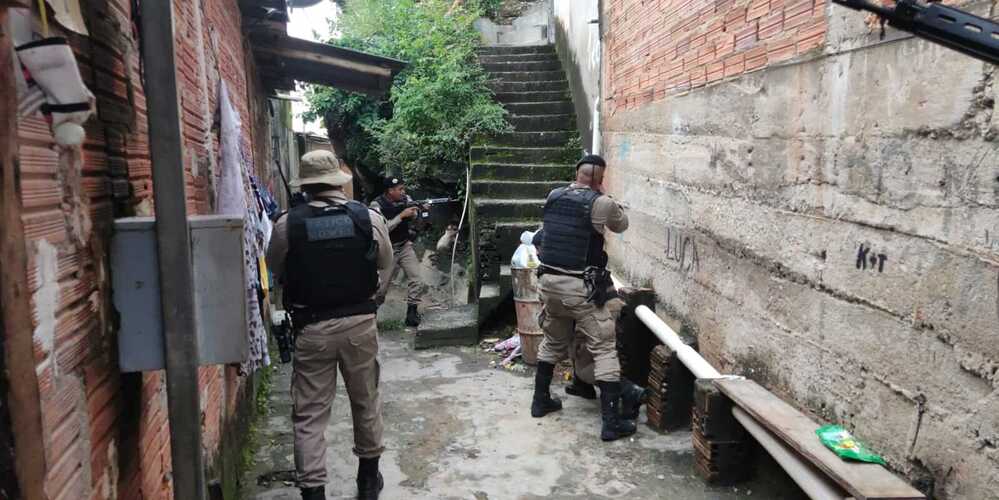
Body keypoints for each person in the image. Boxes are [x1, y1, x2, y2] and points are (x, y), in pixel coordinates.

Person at [266, 150, 393, 500]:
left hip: (312, 327)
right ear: (338, 181)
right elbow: (385, 262)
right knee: (366, 400)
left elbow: (275, 268)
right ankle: (368, 481)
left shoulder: (288, 224)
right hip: (360, 324)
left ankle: (313, 492)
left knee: (309, 415)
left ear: (306, 186)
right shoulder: (368, 217)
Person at [529, 154, 635, 441]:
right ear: (600, 178)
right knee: (604, 349)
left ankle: (540, 402)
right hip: (579, 287)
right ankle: (611, 424)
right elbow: (621, 224)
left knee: (553, 341)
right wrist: (607, 196)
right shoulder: (602, 202)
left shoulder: (554, 195)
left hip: (548, 284)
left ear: (577, 173)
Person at [371, 176, 429, 327]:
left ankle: (411, 314)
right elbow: (382, 229)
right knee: (381, 289)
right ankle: (370, 316)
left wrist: (420, 212)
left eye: (403, 188)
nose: (404, 192)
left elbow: (417, 223)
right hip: (387, 249)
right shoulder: (376, 205)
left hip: (404, 246)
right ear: (390, 191)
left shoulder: (406, 200)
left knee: (417, 280)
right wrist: (401, 216)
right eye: (400, 189)